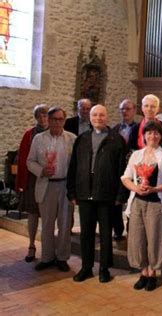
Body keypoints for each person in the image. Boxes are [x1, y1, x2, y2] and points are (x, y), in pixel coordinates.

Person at [67, 105, 128, 283]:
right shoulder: (82, 139)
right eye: (95, 115)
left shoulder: (116, 139)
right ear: (90, 117)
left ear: (107, 117)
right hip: (84, 192)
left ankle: (104, 268)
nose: (98, 118)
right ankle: (86, 267)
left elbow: (122, 170)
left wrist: (120, 195)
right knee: (86, 233)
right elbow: (74, 166)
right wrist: (71, 191)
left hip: (107, 194)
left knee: (106, 234)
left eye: (102, 115)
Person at [121, 121, 162, 291]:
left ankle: (152, 273)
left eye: (156, 133)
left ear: (161, 136)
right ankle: (143, 271)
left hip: (156, 202)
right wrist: (136, 188)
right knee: (137, 238)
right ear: (144, 135)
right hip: (137, 202)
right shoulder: (136, 155)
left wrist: (154, 188)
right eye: (149, 133)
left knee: (154, 239)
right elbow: (125, 177)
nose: (152, 136)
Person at [27, 107, 76, 272]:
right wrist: (41, 171)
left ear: (64, 120)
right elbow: (30, 161)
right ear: (48, 119)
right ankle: (47, 257)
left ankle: (62, 257)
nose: (57, 122)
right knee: (47, 224)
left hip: (65, 186)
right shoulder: (39, 139)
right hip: (46, 185)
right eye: (53, 119)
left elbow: (76, 165)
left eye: (60, 119)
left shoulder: (72, 139)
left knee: (64, 224)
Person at [16, 104, 49, 263]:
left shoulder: (54, 133)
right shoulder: (29, 134)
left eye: (45, 115)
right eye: (40, 116)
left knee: (48, 216)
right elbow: (23, 159)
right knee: (33, 213)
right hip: (33, 179)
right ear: (36, 117)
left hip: (50, 179)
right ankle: (31, 245)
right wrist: (21, 183)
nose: (43, 119)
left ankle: (47, 248)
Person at [111, 99, 138, 241]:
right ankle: (118, 229)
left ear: (134, 110)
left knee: (132, 201)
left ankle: (131, 229)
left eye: (127, 109)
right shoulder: (114, 129)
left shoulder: (139, 128)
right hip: (118, 170)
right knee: (117, 200)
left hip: (134, 170)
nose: (124, 111)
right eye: (122, 109)